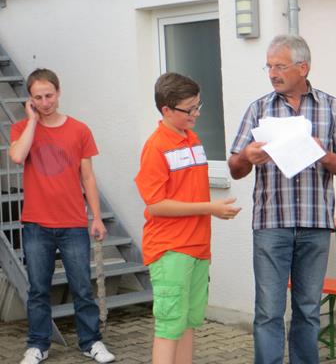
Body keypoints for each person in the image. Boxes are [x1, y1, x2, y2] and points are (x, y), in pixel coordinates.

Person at [228, 34, 336, 364]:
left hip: (316, 224)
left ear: (303, 68)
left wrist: (324, 155)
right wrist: (246, 156)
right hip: (271, 225)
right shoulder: (258, 109)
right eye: (269, 66)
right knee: (268, 311)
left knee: (308, 310)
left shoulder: (333, 107)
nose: (272, 74)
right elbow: (234, 169)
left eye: (280, 66)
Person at [9, 68, 115, 364]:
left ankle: (91, 342)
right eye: (38, 98)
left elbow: (88, 177)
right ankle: (38, 345)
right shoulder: (22, 128)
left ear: (59, 92)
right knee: (38, 289)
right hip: (36, 223)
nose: (45, 103)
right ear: (30, 100)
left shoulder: (79, 130)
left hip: (73, 223)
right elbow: (17, 156)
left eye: (49, 95)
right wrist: (32, 121)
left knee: (81, 287)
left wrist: (96, 217)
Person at [134, 72, 241, 364]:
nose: (196, 113)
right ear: (166, 110)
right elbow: (156, 205)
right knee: (169, 326)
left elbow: (189, 193)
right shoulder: (156, 146)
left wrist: (210, 209)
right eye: (189, 109)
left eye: (198, 106)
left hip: (198, 246)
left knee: (188, 323)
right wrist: (210, 208)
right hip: (170, 249)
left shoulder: (192, 139)